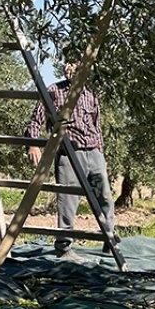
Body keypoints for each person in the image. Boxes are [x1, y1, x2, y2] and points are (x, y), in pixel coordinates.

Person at [24, 60, 116, 260]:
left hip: (93, 151)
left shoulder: (90, 94)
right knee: (67, 201)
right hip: (68, 152)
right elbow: (36, 120)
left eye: (75, 66)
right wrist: (32, 144)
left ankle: (109, 240)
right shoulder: (54, 91)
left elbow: (96, 125)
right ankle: (64, 248)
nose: (70, 69)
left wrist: (101, 152)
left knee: (105, 197)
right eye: (67, 66)